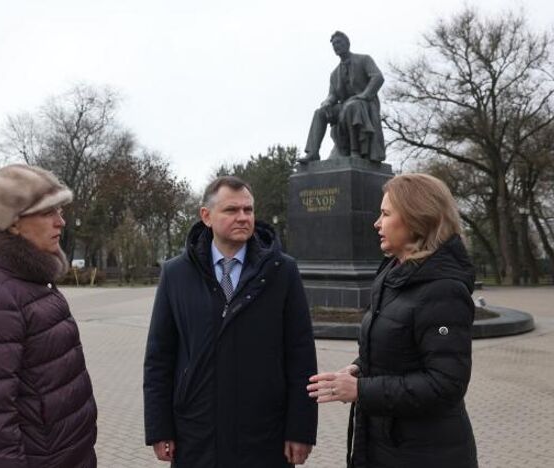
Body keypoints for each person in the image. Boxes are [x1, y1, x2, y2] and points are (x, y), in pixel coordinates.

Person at [143, 175, 318, 467]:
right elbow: (159, 358)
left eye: (248, 210)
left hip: (265, 432)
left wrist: (300, 429)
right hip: (196, 431)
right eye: (231, 210)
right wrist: (160, 428)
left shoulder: (282, 271)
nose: (242, 218)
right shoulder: (176, 274)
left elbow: (300, 356)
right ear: (206, 216)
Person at [307, 173, 478, 468]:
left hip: (426, 454)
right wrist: (361, 368)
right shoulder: (392, 274)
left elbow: (446, 384)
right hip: (384, 443)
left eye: (385, 214)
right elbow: (397, 348)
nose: (377, 223)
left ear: (416, 219)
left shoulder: (443, 289)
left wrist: (361, 390)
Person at [0, 164, 97, 468]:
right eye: (47, 213)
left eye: (60, 211)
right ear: (13, 224)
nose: (61, 222)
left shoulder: (31, 280)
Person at [299, 31, 385, 164]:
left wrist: (364, 95)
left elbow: (377, 77)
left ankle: (355, 151)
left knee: (352, 106)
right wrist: (327, 102)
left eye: (339, 42)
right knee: (320, 113)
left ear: (347, 44)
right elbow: (333, 94)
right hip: (345, 106)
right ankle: (313, 152)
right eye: (334, 44)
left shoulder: (364, 59)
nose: (336, 46)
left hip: (365, 105)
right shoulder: (334, 73)